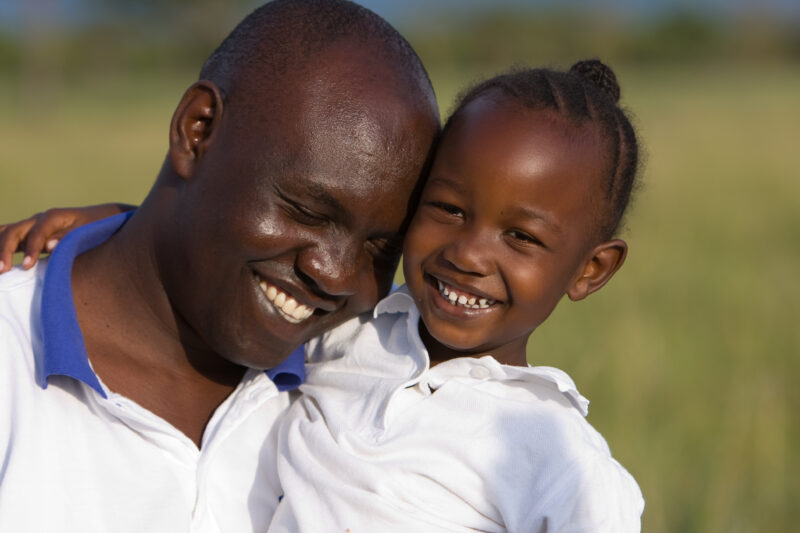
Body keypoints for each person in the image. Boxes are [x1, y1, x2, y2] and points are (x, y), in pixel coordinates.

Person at [0, 0, 440, 531]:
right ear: (197, 130)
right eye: (305, 211)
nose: (337, 275)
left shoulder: (363, 379)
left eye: (378, 249)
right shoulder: (13, 356)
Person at [266, 60, 644, 532]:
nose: (468, 255)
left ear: (591, 269)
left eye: (521, 237)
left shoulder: (562, 461)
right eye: (448, 208)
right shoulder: (341, 330)